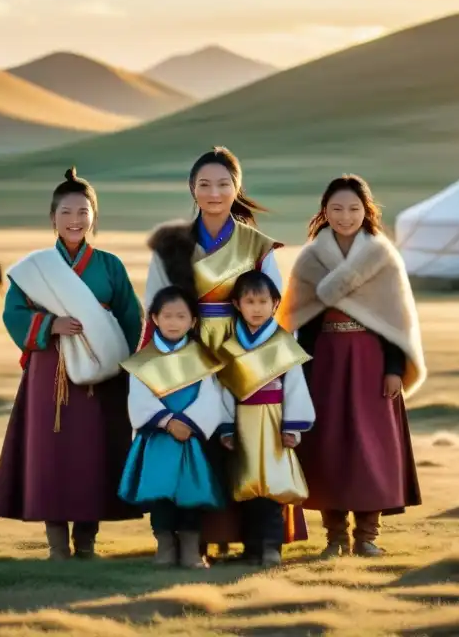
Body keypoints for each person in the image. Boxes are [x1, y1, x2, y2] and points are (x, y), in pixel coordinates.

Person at [143, 146, 309, 556]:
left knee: (253, 444)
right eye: (204, 184)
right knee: (193, 445)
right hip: (188, 348)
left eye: (223, 184)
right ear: (192, 189)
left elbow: (273, 306)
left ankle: (261, 543)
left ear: (237, 188)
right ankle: (192, 543)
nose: (213, 193)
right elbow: (155, 302)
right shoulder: (173, 245)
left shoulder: (256, 246)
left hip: (247, 350)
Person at [0, 167, 144, 560]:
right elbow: (13, 314)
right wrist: (50, 324)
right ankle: (57, 544)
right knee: (50, 455)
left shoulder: (109, 265)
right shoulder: (35, 267)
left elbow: (131, 316)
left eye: (83, 212)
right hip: (49, 371)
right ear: (52, 218)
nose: (75, 220)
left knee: (93, 455)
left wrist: (120, 360)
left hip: (101, 373)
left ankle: (87, 543)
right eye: (67, 212)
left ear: (94, 217)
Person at [278, 175, 427, 558]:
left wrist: (394, 366)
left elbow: (398, 320)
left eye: (354, 209)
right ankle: (335, 538)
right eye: (337, 209)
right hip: (325, 362)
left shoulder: (383, 256)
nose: (345, 216)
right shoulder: (310, 258)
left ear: (367, 211)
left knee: (370, 449)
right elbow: (301, 321)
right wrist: (302, 372)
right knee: (328, 446)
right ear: (324, 212)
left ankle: (367, 536)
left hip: (371, 364)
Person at [118, 285, 227, 568]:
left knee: (191, 493)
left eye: (181, 316)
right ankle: (165, 546)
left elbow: (211, 398)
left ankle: (191, 549)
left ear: (192, 321)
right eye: (167, 316)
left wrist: (188, 423)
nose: (174, 322)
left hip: (190, 438)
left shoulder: (202, 358)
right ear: (154, 318)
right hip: (158, 439)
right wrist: (167, 422)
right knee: (161, 494)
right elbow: (138, 399)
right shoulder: (144, 361)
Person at [216, 270, 315, 567]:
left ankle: (271, 548)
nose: (256, 308)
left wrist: (292, 428)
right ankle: (251, 549)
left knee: (271, 487)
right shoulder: (231, 347)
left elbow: (296, 387)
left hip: (274, 422)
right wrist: (226, 427)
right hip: (243, 421)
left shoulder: (283, 344)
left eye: (263, 301)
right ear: (237, 304)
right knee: (246, 486)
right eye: (250, 301)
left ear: (275, 304)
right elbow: (224, 392)